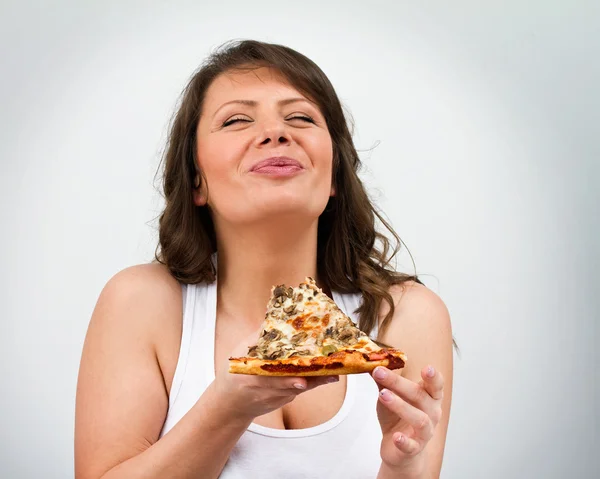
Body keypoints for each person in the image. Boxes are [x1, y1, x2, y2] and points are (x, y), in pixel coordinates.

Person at [74, 40, 454, 479]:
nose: (276, 133)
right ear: (197, 180)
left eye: (301, 117)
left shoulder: (406, 315)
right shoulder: (141, 303)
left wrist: (403, 466)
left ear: (333, 176)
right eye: (237, 120)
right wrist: (227, 408)